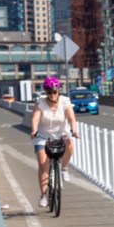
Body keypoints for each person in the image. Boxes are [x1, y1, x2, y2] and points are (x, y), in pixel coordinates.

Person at [30, 76, 79, 208]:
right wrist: (34, 131)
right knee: (43, 165)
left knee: (70, 142)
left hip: (60, 134)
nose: (52, 94)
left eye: (55, 91)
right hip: (43, 136)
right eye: (49, 92)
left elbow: (71, 118)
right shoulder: (40, 102)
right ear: (45, 92)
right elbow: (35, 119)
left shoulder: (65, 101)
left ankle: (64, 168)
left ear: (59, 91)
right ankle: (44, 195)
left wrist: (74, 130)